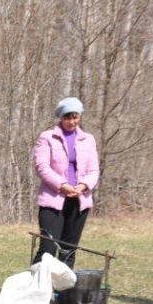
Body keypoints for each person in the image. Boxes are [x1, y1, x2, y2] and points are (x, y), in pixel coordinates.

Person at [32, 97, 99, 269]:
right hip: (53, 200)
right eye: (67, 117)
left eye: (75, 117)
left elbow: (94, 170)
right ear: (61, 117)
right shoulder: (47, 137)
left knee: (68, 250)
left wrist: (83, 186)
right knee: (48, 248)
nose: (71, 121)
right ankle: (37, 289)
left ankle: (62, 293)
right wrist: (62, 185)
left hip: (79, 200)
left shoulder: (88, 139)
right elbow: (42, 167)